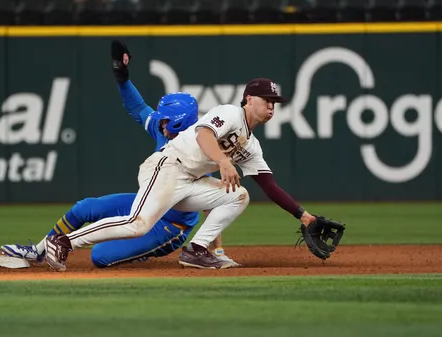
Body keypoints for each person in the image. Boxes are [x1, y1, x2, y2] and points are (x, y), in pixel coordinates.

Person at [43, 43, 324, 272]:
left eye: (275, 103)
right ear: (249, 99)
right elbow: (204, 135)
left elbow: (270, 186)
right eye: (267, 101)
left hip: (189, 183)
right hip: (167, 168)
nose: (272, 107)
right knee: (137, 224)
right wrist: (225, 162)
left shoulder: (250, 146)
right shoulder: (229, 113)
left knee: (240, 195)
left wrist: (304, 216)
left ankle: (196, 250)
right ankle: (64, 242)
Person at [1, 42, 238, 269]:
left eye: (166, 119)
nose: (160, 122)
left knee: (100, 256)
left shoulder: (203, 146)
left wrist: (214, 249)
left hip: (170, 226)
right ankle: (40, 251)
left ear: (182, 121)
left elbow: (212, 204)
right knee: (85, 208)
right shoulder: (161, 127)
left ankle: (138, 250)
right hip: (147, 204)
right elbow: (137, 107)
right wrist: (122, 77)